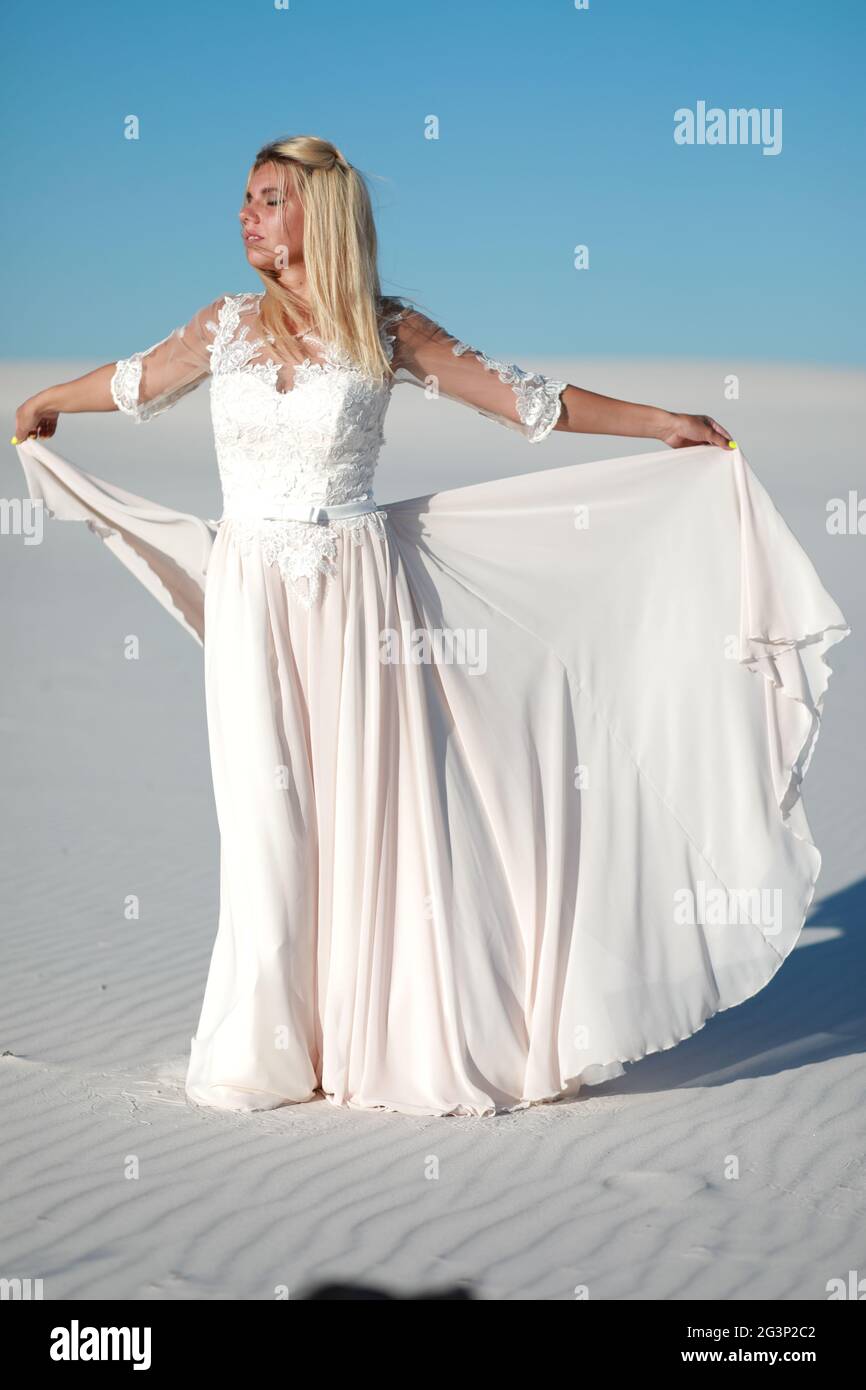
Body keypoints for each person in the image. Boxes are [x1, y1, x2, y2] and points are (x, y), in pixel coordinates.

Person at [12, 135, 849, 1118]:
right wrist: (40, 402)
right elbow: (133, 381)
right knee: (267, 818)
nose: (244, 215)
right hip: (254, 596)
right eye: (242, 198)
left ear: (316, 214)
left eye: (267, 199)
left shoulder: (386, 326)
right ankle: (266, 1051)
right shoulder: (223, 327)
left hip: (362, 596)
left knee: (376, 815)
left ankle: (383, 1039)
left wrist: (657, 421)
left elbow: (525, 401)